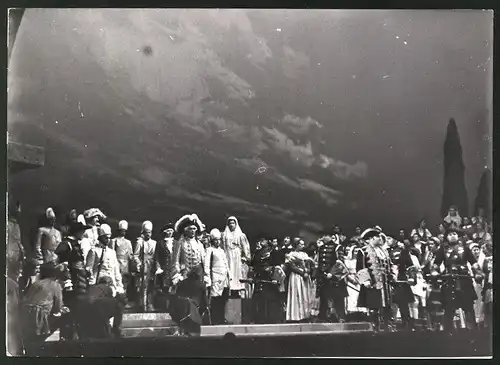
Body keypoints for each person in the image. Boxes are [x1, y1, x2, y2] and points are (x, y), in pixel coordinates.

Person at [432, 226, 482, 332]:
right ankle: (448, 333)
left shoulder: (465, 248)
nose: (453, 236)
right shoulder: (443, 249)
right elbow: (436, 264)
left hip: (464, 280)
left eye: (454, 234)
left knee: (468, 307)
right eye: (450, 234)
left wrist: (477, 273)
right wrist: (434, 272)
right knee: (449, 307)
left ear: (458, 236)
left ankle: (473, 332)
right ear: (446, 237)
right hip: (449, 280)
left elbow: (474, 263)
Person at [55, 218, 93, 340]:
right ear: (76, 232)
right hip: (72, 283)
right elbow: (63, 263)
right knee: (70, 310)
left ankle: (75, 335)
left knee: (78, 310)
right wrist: (67, 281)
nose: (83, 233)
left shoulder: (76, 243)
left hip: (80, 282)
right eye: (81, 231)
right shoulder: (67, 244)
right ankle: (67, 336)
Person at [20, 262, 68, 345]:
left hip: (25, 313)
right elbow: (58, 307)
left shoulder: (36, 283)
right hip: (40, 315)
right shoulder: (55, 285)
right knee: (66, 315)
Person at [356, 228, 393, 331]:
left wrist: (391, 275)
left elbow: (389, 264)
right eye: (378, 237)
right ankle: (374, 327)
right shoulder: (363, 251)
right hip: (373, 283)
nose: (380, 239)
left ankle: (387, 326)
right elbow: (360, 267)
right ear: (372, 238)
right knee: (374, 306)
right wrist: (365, 280)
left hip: (385, 283)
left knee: (386, 305)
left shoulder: (383, 251)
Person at [86, 224, 125, 298]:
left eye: (109, 238)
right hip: (98, 284)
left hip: (111, 284)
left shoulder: (112, 252)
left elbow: (116, 270)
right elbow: (89, 268)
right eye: (106, 238)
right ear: (100, 237)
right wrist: (92, 283)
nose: (108, 240)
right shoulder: (94, 251)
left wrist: (119, 285)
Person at [204, 228, 231, 325]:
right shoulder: (209, 250)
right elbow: (207, 265)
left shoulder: (222, 251)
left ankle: (221, 318)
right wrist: (207, 277)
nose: (217, 242)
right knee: (215, 299)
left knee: (223, 299)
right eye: (215, 240)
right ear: (212, 240)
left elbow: (226, 264)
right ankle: (215, 319)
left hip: (224, 278)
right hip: (215, 277)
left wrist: (229, 275)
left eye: (219, 240)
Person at [388, 241, 415, 331]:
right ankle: (390, 324)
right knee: (389, 304)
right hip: (388, 281)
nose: (387, 240)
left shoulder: (403, 251)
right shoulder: (383, 251)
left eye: (389, 238)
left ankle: (406, 323)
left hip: (401, 280)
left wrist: (411, 277)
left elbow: (410, 266)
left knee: (403, 303)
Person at [285, 238, 314, 322]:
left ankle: (305, 315)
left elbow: (309, 264)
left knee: (305, 294)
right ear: (296, 245)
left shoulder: (304, 254)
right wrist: (301, 272)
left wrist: (307, 271)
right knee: (297, 294)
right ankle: (296, 316)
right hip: (296, 276)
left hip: (305, 276)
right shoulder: (291, 254)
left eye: (303, 244)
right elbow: (291, 266)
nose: (303, 246)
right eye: (301, 244)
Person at [132, 221, 157, 312]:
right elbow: (135, 255)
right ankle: (142, 304)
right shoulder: (140, 242)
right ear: (143, 233)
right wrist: (139, 264)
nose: (148, 234)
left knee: (151, 285)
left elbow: (156, 255)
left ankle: (150, 303)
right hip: (143, 265)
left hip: (152, 265)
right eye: (146, 232)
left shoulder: (154, 243)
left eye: (150, 232)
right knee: (142, 285)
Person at [222, 216, 251, 296]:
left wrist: (245, 257)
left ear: (236, 224)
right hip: (228, 255)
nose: (231, 225)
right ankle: (229, 288)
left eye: (233, 223)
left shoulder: (241, 235)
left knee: (237, 272)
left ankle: (237, 289)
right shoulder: (224, 235)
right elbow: (223, 247)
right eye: (230, 223)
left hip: (237, 255)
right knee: (229, 270)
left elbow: (246, 247)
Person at [110, 220, 134, 306]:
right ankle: (116, 301)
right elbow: (112, 252)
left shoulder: (128, 242)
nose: (123, 232)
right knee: (116, 281)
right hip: (117, 263)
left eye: (124, 231)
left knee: (125, 283)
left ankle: (124, 301)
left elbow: (131, 254)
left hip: (126, 264)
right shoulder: (114, 241)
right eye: (121, 230)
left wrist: (134, 264)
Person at [33, 207, 62, 272]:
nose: (53, 221)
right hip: (46, 256)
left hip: (55, 258)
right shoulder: (42, 230)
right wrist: (40, 258)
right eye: (51, 219)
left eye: (54, 219)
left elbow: (60, 246)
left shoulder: (58, 232)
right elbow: (38, 245)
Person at [154, 223, 176, 296]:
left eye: (171, 231)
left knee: (174, 288)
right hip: (164, 270)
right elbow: (157, 257)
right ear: (165, 232)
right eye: (168, 231)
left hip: (174, 270)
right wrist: (158, 267)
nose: (170, 232)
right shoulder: (160, 243)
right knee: (165, 288)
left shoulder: (176, 243)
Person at [7, 200, 25, 287]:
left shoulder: (17, 226)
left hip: (17, 256)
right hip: (9, 255)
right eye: (18, 211)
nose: (19, 213)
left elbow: (18, 241)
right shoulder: (7, 225)